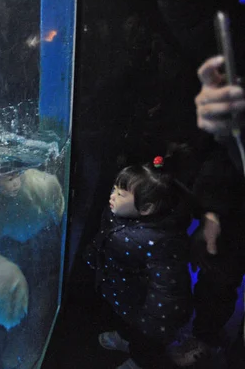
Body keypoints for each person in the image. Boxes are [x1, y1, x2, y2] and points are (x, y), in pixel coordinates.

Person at [84, 155, 194, 369]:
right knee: (125, 322)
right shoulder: (118, 213)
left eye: (120, 193)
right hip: (123, 296)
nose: (112, 196)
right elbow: (103, 238)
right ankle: (126, 338)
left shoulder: (162, 242)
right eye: (114, 189)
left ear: (146, 208)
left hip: (148, 311)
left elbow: (168, 289)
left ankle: (139, 361)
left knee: (146, 345)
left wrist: (156, 324)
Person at [172, 56, 245, 367]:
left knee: (219, 278)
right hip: (234, 213)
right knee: (218, 278)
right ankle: (207, 335)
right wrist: (211, 213)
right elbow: (222, 155)